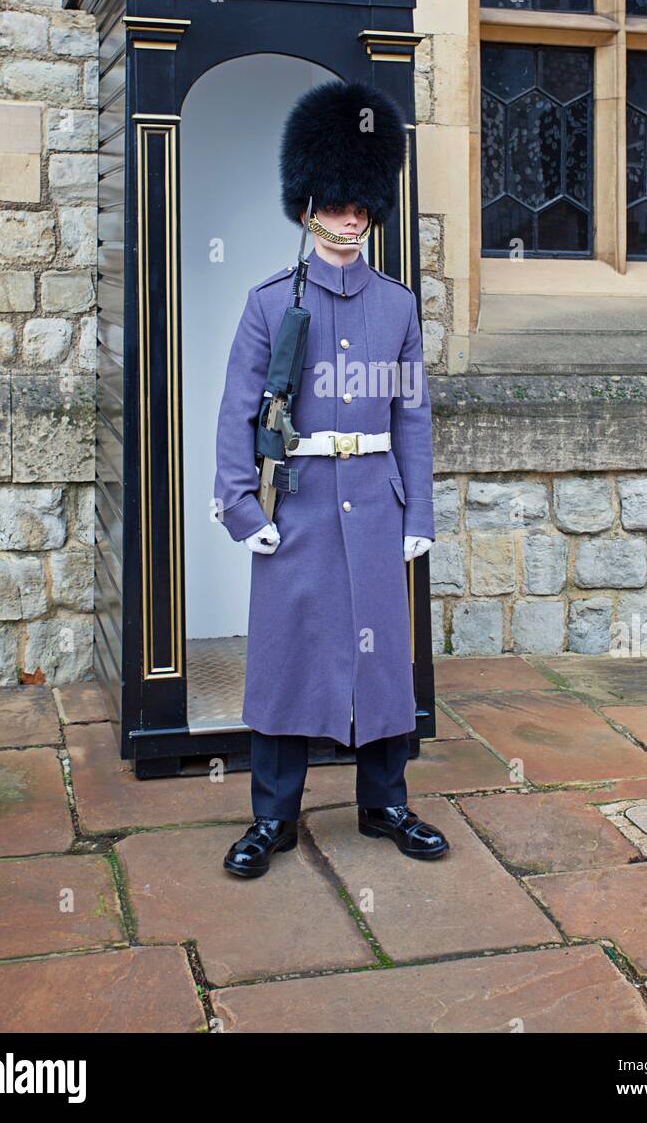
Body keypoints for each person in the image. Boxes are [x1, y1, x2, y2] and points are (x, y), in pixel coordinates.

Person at [213, 79, 450, 878]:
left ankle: (385, 803)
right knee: (286, 657)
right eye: (338, 206)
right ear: (311, 206)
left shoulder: (398, 307)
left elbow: (412, 416)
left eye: (361, 207)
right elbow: (238, 411)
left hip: (377, 504)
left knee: (382, 659)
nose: (350, 220)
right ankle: (272, 818)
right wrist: (242, 508)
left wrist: (419, 513)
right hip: (299, 502)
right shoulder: (269, 303)